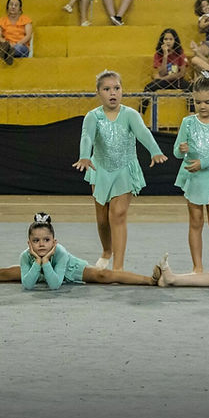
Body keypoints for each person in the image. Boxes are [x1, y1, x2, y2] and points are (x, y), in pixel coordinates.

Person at [72, 70, 168, 271]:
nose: (112, 93)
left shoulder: (130, 115)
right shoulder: (93, 117)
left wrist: (155, 151)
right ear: (98, 92)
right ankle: (107, 251)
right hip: (100, 169)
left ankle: (118, 267)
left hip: (124, 169)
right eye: (107, 89)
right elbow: (87, 137)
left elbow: (143, 133)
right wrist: (84, 155)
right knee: (102, 219)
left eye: (116, 88)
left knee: (118, 215)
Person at [0, 213, 159, 288]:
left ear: (55, 242)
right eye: (36, 241)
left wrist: (45, 262)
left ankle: (149, 280)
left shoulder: (60, 253)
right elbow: (27, 284)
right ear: (29, 243)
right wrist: (38, 262)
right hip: (40, 268)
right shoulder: (27, 256)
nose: (41, 244)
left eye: (46, 240)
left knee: (104, 275)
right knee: (1, 273)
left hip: (69, 270)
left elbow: (55, 285)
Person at [173, 76, 209, 273]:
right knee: (195, 222)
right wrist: (182, 149)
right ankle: (197, 266)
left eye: (207, 102)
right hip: (194, 178)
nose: (202, 106)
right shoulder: (187, 122)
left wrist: (203, 163)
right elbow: (176, 151)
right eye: (197, 102)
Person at [141, 28, 189, 114]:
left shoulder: (180, 53)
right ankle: (140, 114)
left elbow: (181, 73)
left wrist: (164, 78)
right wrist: (165, 55)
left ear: (175, 41)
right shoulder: (158, 54)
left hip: (176, 81)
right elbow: (162, 72)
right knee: (148, 88)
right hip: (163, 82)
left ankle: (192, 114)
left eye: (171, 39)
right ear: (162, 41)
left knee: (191, 87)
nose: (168, 41)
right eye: (165, 39)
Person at [0, 0, 32, 65]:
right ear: (7, 7)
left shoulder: (26, 19)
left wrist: (16, 44)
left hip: (21, 45)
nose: (13, 7)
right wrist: (8, 44)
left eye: (16, 5)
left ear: (20, 8)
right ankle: (8, 53)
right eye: (11, 4)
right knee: (5, 46)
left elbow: (28, 35)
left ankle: (8, 53)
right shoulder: (2, 20)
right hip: (7, 44)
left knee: (18, 48)